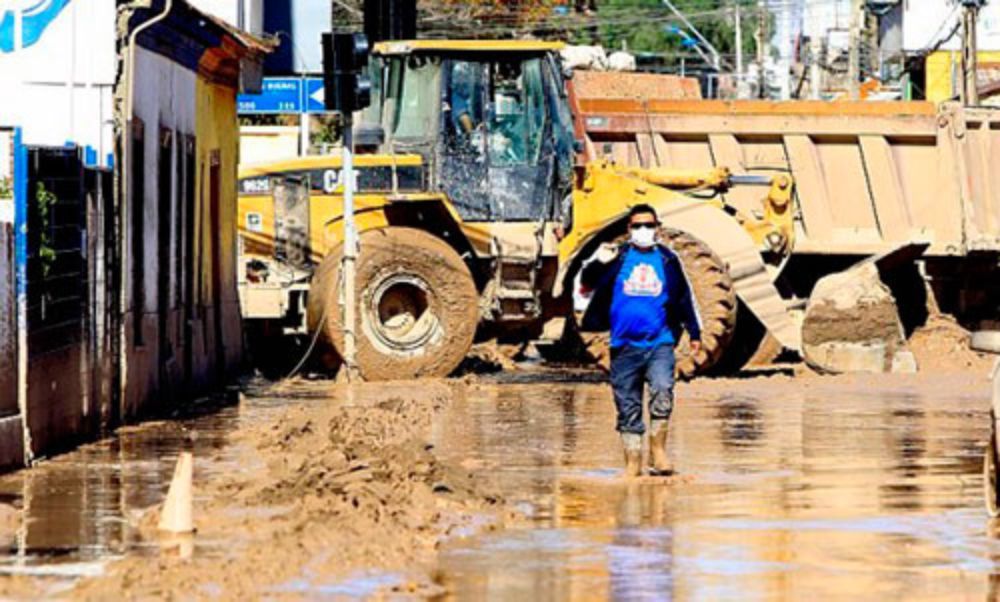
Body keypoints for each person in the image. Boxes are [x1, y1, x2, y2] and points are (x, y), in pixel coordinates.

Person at [578, 204, 702, 478]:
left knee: (662, 390)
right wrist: (598, 261)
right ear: (629, 229)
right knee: (627, 404)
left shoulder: (668, 260)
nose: (643, 230)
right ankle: (633, 463)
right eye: (637, 226)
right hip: (623, 344)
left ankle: (658, 453)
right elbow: (587, 281)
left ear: (657, 228)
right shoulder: (617, 258)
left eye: (648, 225)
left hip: (660, 342)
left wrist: (694, 332)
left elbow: (684, 297)